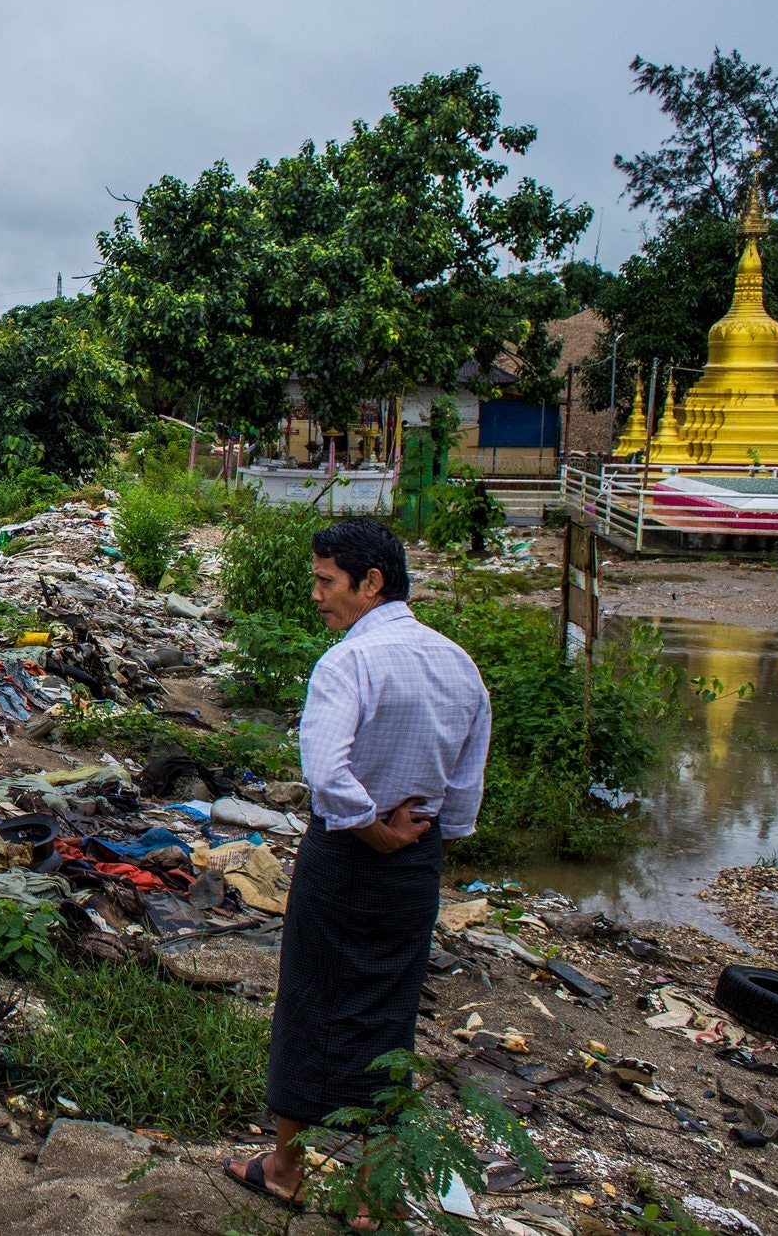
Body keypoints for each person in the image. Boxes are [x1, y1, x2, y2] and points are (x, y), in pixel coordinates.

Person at [225, 518, 489, 1222]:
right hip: (417, 863)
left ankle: (285, 1165)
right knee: (386, 1013)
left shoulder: (348, 663)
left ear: (371, 582)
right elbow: (464, 793)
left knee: (311, 999)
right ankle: (372, 1194)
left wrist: (371, 829)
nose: (316, 595)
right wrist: (421, 842)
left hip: (346, 854)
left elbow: (327, 770)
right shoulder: (459, 665)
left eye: (326, 580)